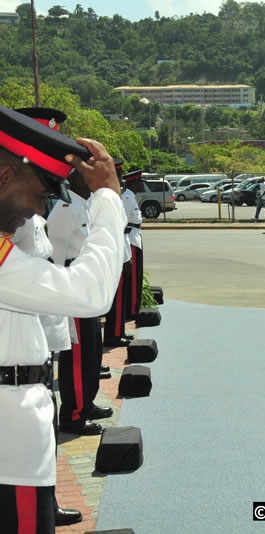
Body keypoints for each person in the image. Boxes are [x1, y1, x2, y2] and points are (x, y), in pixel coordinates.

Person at [0, 105, 125, 533]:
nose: (38, 214)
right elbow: (90, 293)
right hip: (9, 440)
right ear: (4, 179)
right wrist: (108, 196)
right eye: (40, 197)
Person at [49, 167, 115, 436]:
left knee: (91, 351)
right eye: (89, 176)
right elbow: (55, 255)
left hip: (85, 287)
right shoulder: (66, 209)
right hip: (72, 288)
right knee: (76, 355)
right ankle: (73, 416)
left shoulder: (83, 205)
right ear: (77, 178)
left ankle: (85, 404)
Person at [103, 160, 133, 347]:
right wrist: (123, 258)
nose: (121, 179)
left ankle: (118, 331)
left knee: (119, 298)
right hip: (113, 256)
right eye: (118, 175)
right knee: (117, 298)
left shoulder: (115, 196)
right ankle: (113, 334)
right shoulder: (108, 198)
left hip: (118, 253)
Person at [121, 170, 145, 320]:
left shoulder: (132, 198)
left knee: (138, 276)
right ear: (134, 183)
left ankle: (134, 306)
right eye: (141, 182)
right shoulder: (127, 198)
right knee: (134, 277)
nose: (143, 185)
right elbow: (123, 223)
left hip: (136, 237)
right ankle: (132, 309)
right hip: (130, 240)